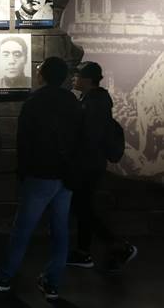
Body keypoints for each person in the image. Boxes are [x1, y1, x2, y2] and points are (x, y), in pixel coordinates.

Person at [0, 57, 81, 301]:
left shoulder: (35, 102)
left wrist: (22, 173)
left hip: (40, 174)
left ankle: (3, 277)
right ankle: (52, 283)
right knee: (60, 230)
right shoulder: (73, 101)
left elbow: (25, 142)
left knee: (22, 229)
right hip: (66, 176)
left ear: (42, 75)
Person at [67, 61, 137, 271]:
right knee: (84, 207)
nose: (74, 78)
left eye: (77, 75)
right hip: (91, 163)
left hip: (88, 164)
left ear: (88, 80)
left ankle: (118, 246)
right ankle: (84, 251)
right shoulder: (94, 99)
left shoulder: (94, 102)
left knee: (82, 207)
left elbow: (90, 136)